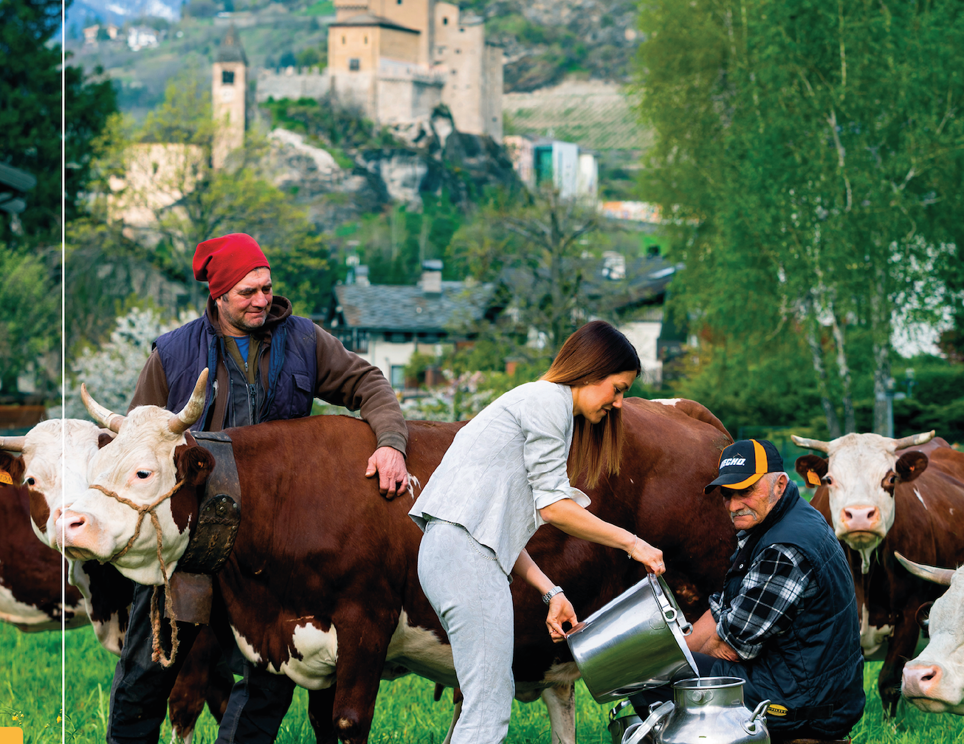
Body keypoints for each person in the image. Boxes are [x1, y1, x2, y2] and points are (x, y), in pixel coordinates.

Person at [108, 232, 411, 744]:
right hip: (190, 540)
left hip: (273, 542)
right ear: (219, 295)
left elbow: (369, 383)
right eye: (247, 292)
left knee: (267, 679)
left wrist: (392, 442)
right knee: (150, 666)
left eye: (266, 288)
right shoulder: (173, 354)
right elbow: (137, 441)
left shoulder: (304, 340)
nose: (261, 300)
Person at [409, 320, 667, 744]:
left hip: (457, 553)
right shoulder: (548, 402)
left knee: (485, 701)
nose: (619, 403)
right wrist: (632, 542)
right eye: (617, 388)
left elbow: (493, 531)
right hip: (463, 558)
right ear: (589, 372)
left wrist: (551, 592)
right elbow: (556, 509)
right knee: (488, 708)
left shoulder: (532, 402)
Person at [630, 439, 865, 740]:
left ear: (780, 483)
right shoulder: (787, 519)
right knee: (664, 663)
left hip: (803, 703)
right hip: (807, 683)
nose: (733, 504)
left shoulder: (784, 548)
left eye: (746, 490)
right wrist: (677, 652)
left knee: (650, 677)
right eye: (727, 494)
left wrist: (668, 663)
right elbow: (723, 612)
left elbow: (730, 647)